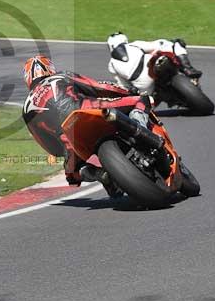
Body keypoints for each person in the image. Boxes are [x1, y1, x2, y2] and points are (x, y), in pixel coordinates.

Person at [21, 54, 152, 195]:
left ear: (27, 78)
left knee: (72, 175)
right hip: (88, 109)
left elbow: (46, 143)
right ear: (50, 68)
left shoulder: (26, 109)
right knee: (140, 100)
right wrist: (127, 92)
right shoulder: (61, 76)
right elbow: (98, 87)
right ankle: (143, 136)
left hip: (68, 137)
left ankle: (100, 175)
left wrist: (63, 152)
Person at [106, 32, 202, 95]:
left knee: (146, 103)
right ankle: (187, 68)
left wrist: (133, 90)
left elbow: (123, 86)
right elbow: (156, 45)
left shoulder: (111, 65)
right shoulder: (133, 45)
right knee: (175, 43)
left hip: (144, 86)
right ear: (125, 40)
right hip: (151, 68)